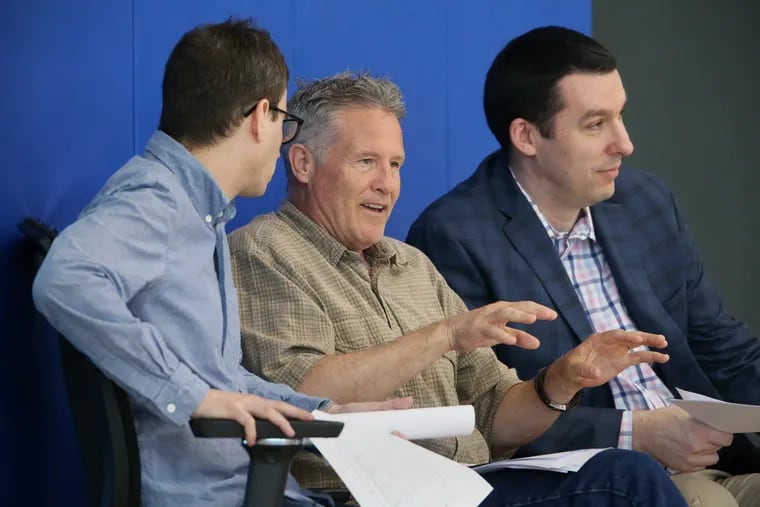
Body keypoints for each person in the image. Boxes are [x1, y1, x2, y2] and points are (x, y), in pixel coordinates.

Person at [229, 71, 689, 507]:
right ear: (303, 163)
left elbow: (496, 415)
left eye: (395, 165)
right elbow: (303, 393)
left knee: (623, 469)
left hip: (470, 483)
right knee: (626, 482)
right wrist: (444, 335)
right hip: (375, 495)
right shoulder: (264, 252)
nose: (387, 185)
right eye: (366, 162)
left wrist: (562, 380)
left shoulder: (412, 265)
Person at [32, 19, 407, 507]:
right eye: (284, 122)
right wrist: (192, 397)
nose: (282, 140)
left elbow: (220, 380)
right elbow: (63, 279)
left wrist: (325, 414)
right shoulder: (156, 200)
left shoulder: (199, 216)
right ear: (260, 117)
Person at [406, 25, 760, 506]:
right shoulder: (455, 236)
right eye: (595, 124)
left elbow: (724, 350)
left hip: (717, 460)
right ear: (527, 136)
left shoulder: (644, 201)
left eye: (620, 116)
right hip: (608, 481)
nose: (624, 144)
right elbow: (480, 414)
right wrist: (635, 432)